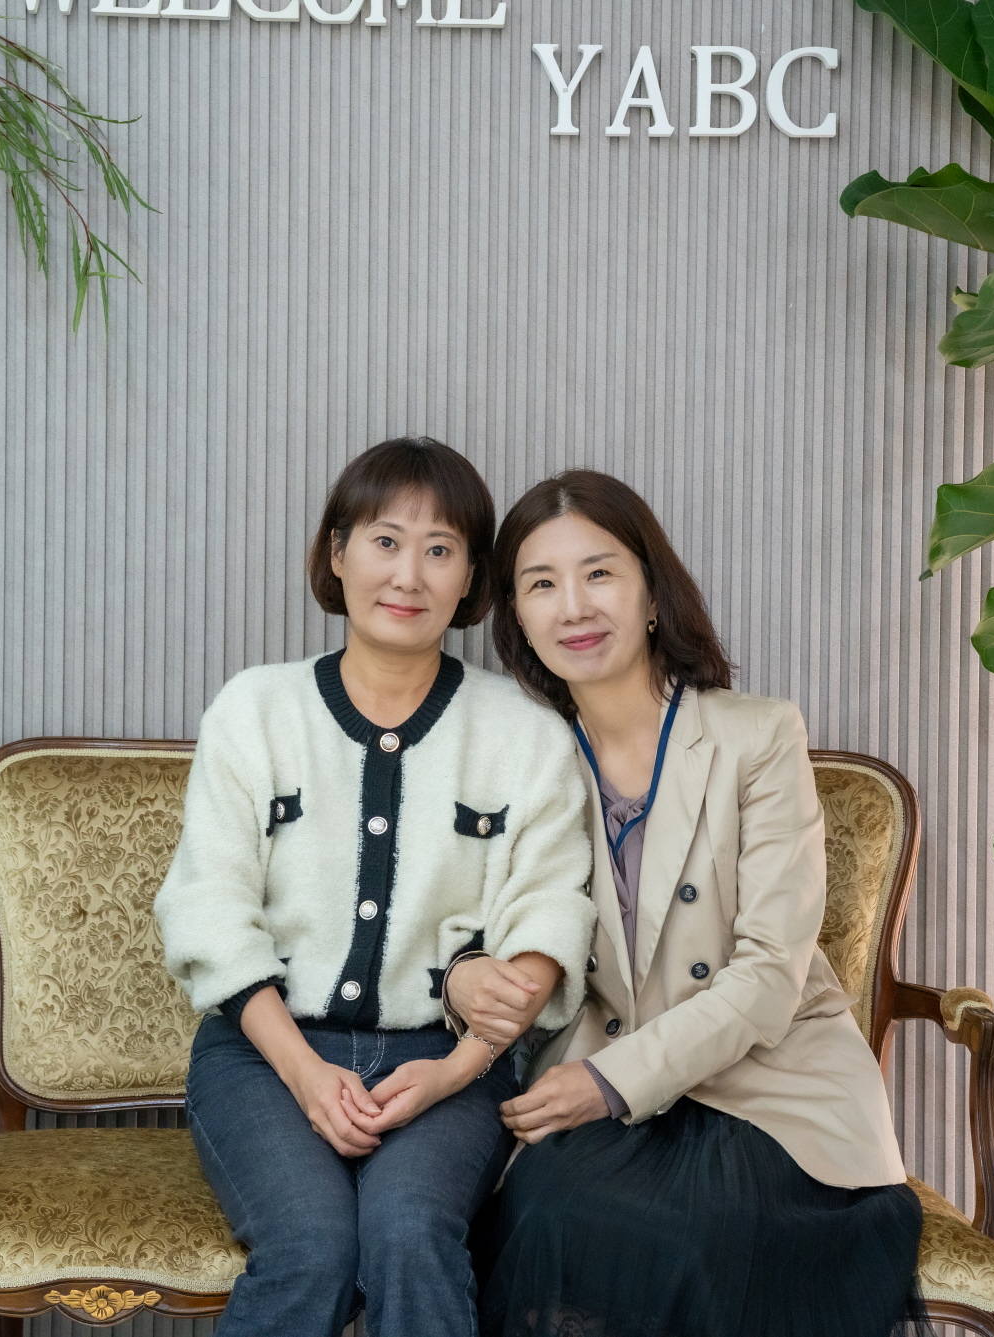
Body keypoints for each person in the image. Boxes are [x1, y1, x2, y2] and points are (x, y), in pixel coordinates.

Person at [466, 469, 931, 1337]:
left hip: (770, 1084)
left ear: (651, 594)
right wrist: (469, 975)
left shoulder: (758, 734)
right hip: (599, 1070)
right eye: (542, 583)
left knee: (692, 1240)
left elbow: (767, 977)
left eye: (599, 572)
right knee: (548, 1211)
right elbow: (469, 923)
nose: (575, 605)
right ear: (517, 617)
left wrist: (608, 1084)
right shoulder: (523, 757)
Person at [155, 437, 597, 1337]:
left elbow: (548, 916)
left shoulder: (526, 732)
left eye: (440, 549)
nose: (408, 575)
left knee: (408, 1231)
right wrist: (306, 1072)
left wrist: (453, 1071)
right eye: (385, 541)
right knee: (312, 1244)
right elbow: (210, 909)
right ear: (338, 552)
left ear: (471, 578)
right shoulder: (254, 709)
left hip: (451, 1058)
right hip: (263, 1056)